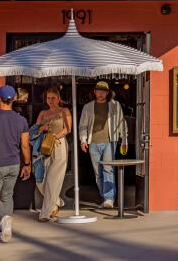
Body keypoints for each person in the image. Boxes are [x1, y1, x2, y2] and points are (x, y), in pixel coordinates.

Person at [0, 85, 31, 242]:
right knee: (7, 195)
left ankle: (4, 219)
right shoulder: (21, 120)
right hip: (14, 163)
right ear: (13, 100)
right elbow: (25, 145)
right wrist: (27, 164)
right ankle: (6, 230)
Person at [79, 81, 128, 209]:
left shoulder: (115, 105)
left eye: (103, 91)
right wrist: (83, 140)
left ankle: (109, 198)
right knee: (98, 173)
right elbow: (83, 126)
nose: (101, 93)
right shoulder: (88, 107)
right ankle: (104, 196)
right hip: (93, 143)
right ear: (95, 92)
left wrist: (124, 140)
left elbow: (121, 122)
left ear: (107, 92)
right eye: (98, 90)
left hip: (110, 142)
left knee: (108, 169)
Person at [35, 88, 72, 222]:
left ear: (58, 98)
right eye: (48, 98)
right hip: (44, 146)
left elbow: (68, 129)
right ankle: (56, 201)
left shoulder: (64, 111)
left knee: (52, 179)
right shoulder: (43, 113)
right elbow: (35, 130)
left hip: (59, 144)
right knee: (40, 180)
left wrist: (55, 136)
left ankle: (45, 213)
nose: (50, 101)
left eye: (53, 98)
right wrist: (41, 128)